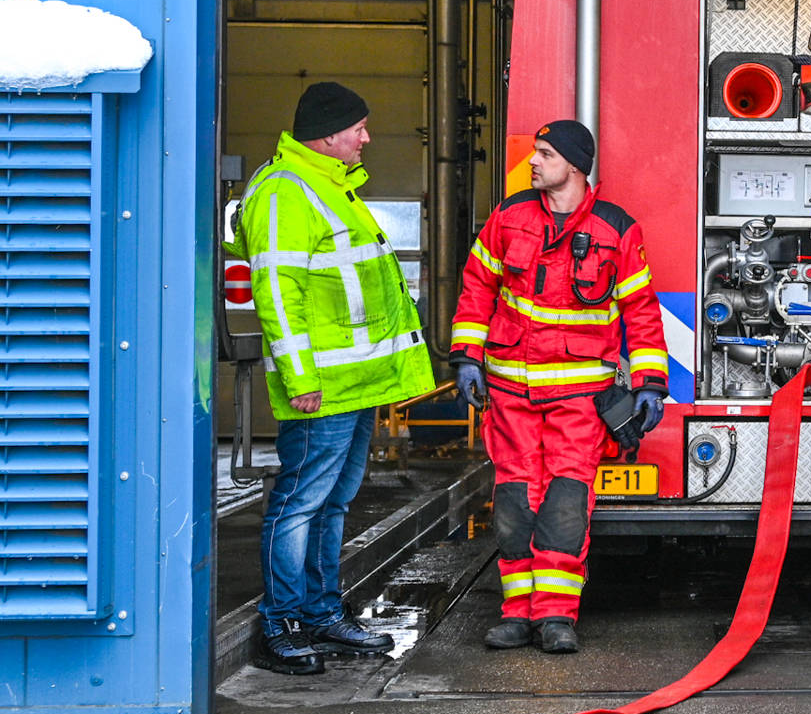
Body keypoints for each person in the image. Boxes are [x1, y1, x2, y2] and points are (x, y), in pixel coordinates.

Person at [235, 82, 435, 674]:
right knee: (300, 504)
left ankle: (322, 613)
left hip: (356, 385)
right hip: (320, 388)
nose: (367, 138)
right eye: (359, 129)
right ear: (327, 134)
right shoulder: (283, 194)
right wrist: (299, 377)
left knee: (332, 503)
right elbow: (276, 291)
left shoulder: (330, 188)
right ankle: (282, 623)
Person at [449, 119, 668, 654]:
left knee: (566, 501)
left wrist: (650, 383)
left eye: (545, 154)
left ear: (573, 165)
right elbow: (478, 286)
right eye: (535, 152)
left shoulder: (618, 229)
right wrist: (466, 356)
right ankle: (515, 613)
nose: (534, 162)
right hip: (510, 394)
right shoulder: (509, 217)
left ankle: (556, 616)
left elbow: (640, 310)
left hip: (578, 400)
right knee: (514, 500)